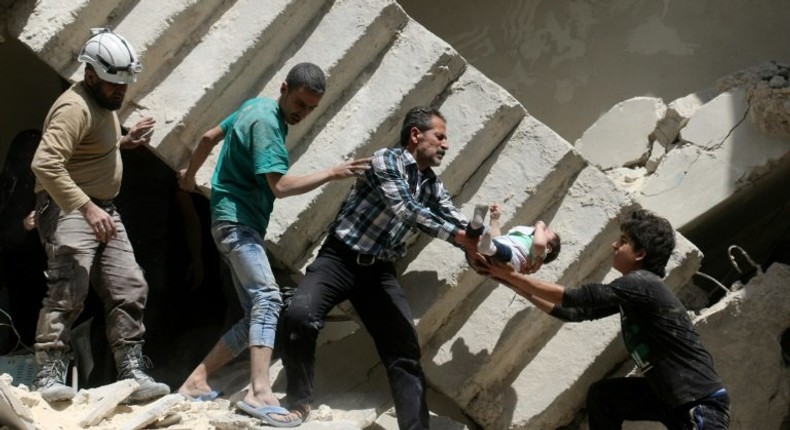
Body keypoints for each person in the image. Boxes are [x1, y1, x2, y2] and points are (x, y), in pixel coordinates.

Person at [176, 62, 370, 427]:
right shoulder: (267, 126)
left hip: (228, 221)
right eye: (299, 103)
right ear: (284, 88)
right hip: (239, 225)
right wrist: (331, 172)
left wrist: (189, 179)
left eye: (311, 108)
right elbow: (279, 187)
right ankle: (259, 391)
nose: (303, 113)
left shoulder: (255, 106)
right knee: (268, 298)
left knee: (255, 312)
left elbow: (207, 137)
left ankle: (196, 380)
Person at [281, 106, 482, 430]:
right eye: (440, 136)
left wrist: (481, 241)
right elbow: (405, 209)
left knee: (404, 350)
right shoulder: (385, 160)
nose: (446, 145)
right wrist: (460, 237)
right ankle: (298, 403)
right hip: (339, 259)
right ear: (416, 135)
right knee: (299, 316)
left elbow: (453, 216)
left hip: (379, 274)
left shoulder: (431, 185)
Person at [486, 209, 730, 429]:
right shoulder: (634, 293)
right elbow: (573, 313)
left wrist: (514, 277)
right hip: (667, 396)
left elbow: (576, 298)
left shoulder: (642, 283)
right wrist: (513, 283)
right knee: (604, 398)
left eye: (623, 242)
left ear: (640, 253)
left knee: (606, 398)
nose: (614, 245)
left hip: (699, 403)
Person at [30, 28, 170, 403]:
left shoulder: (103, 104)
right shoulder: (73, 107)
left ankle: (132, 371)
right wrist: (87, 208)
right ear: (90, 75)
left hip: (101, 208)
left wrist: (125, 144)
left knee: (130, 285)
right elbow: (45, 163)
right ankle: (49, 372)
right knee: (69, 285)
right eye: (113, 84)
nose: (120, 91)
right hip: (71, 207)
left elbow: (88, 151)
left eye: (125, 84)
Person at [467, 203, 560, 274]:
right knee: (483, 236)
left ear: (548, 248)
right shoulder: (521, 237)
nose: (543, 229)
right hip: (490, 250)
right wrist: (495, 218)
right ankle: (476, 224)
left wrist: (540, 226)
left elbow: (539, 244)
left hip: (510, 258)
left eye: (546, 231)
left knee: (505, 252)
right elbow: (497, 238)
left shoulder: (539, 253)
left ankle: (485, 242)